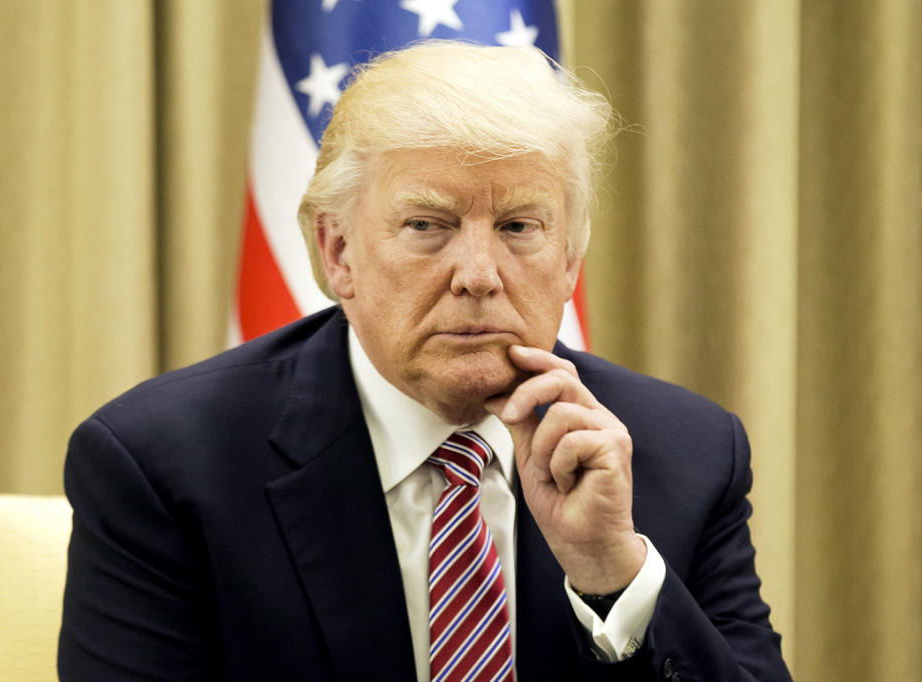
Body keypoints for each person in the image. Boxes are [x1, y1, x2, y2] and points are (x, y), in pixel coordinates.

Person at [58, 41, 791, 681]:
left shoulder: (687, 453)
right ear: (338, 252)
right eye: (427, 225)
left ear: (570, 259)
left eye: (518, 226)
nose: (479, 273)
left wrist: (613, 574)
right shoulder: (164, 465)